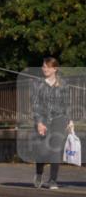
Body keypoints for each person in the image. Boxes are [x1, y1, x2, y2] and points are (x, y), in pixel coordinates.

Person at [32, 56, 74, 189]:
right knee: (42, 151)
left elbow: (67, 104)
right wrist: (39, 122)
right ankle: (39, 174)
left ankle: (53, 180)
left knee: (55, 150)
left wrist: (70, 120)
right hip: (43, 120)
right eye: (43, 66)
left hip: (59, 119)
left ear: (55, 68)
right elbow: (35, 105)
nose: (44, 68)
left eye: (47, 66)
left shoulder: (63, 84)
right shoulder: (37, 83)